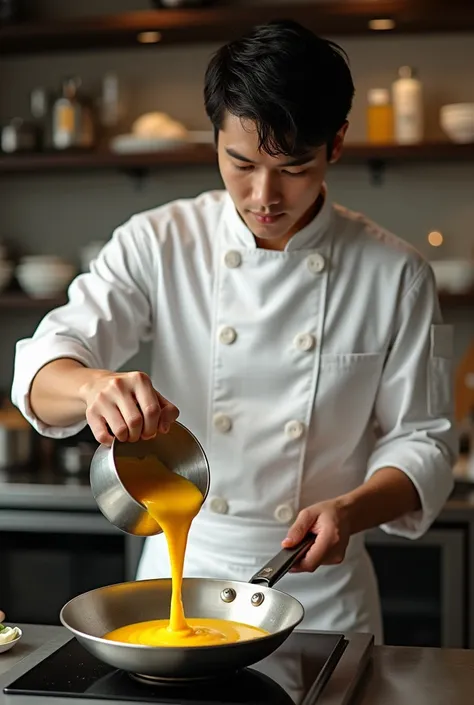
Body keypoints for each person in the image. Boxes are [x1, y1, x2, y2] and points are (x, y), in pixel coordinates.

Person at [11, 20, 455, 643]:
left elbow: (425, 443)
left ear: (337, 143)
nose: (264, 194)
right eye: (240, 163)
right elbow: (44, 365)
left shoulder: (395, 273)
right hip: (184, 571)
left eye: (295, 167)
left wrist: (349, 511)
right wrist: (92, 388)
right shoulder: (160, 241)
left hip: (322, 593)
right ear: (215, 139)